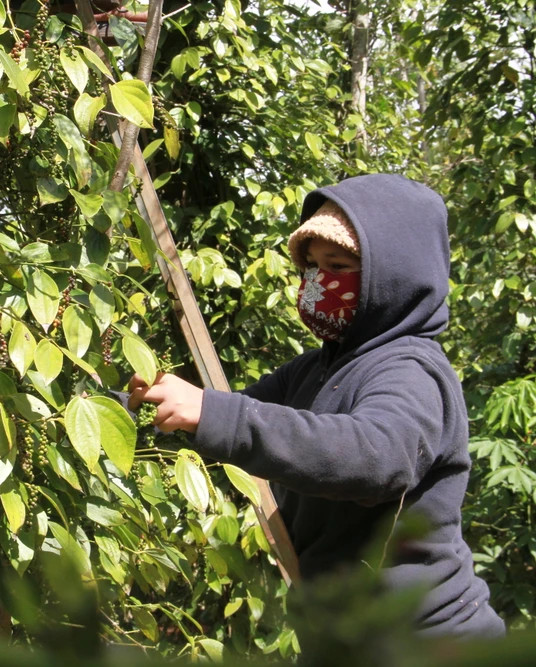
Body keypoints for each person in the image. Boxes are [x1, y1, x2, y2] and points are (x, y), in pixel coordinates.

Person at [127, 174, 505, 638]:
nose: (320, 281)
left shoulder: (411, 368)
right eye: (312, 266)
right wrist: (157, 401)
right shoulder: (314, 370)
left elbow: (378, 455)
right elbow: (238, 417)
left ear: (396, 275)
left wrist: (214, 414)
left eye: (339, 265)